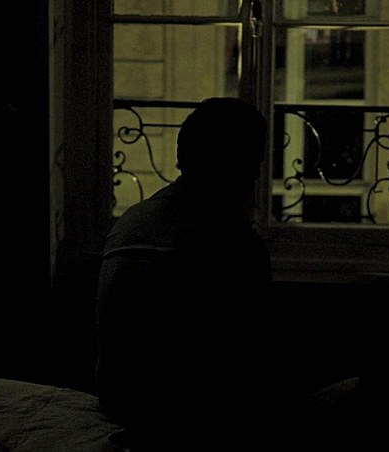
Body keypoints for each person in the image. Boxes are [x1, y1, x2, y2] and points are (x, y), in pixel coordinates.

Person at [94, 97, 287, 450]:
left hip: (117, 396)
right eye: (253, 162)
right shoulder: (233, 241)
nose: (257, 175)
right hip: (183, 412)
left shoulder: (134, 219)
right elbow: (254, 357)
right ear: (233, 166)